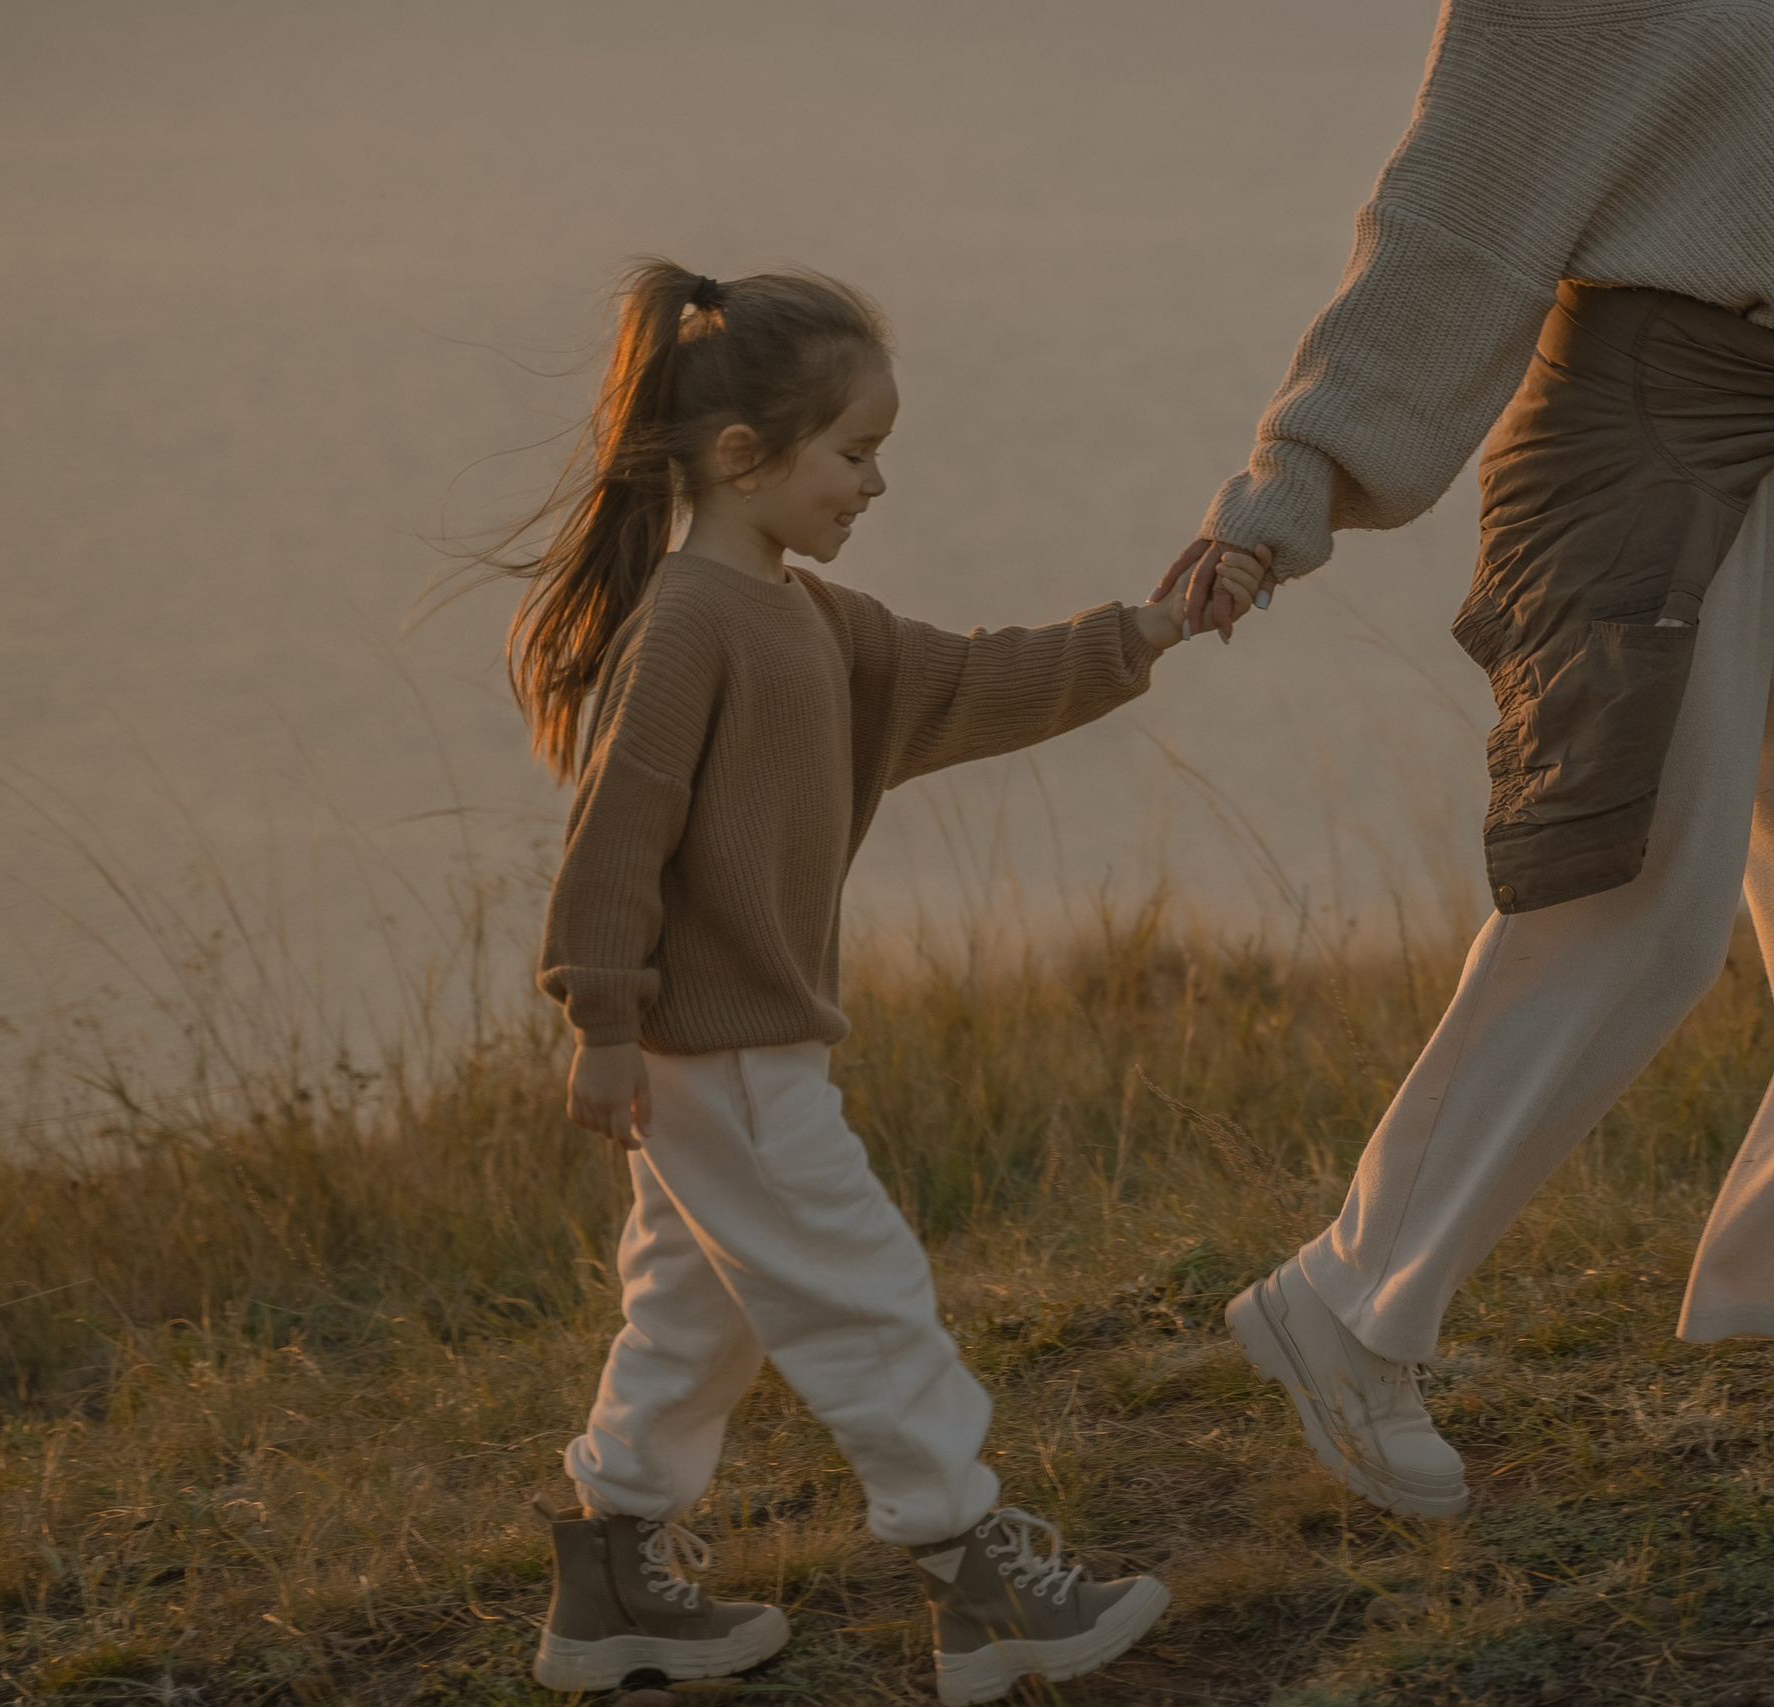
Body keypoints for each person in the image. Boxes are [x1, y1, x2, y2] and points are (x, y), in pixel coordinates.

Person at [1155, 0, 1774, 1519]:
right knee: (1642, 900)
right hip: (1645, 428)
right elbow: (1452, 220)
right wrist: (1291, 488)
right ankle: (1344, 1306)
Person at [503, 260, 1262, 1701]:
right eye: (854, 455)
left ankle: (610, 1587)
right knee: (865, 1298)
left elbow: (976, 680)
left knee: (694, 1311)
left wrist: (1147, 632)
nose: (874, 486)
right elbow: (617, 836)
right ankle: (977, 1577)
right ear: (742, 459)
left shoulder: (813, 621)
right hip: (717, 1053)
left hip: (735, 1055)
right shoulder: (687, 629)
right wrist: (598, 1018)